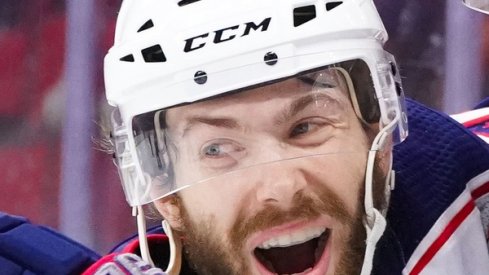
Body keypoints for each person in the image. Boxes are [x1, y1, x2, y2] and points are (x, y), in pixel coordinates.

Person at [1, 0, 489, 274]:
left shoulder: (466, 190)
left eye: (306, 127)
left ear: (380, 140)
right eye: (217, 149)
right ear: (163, 193)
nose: (279, 188)